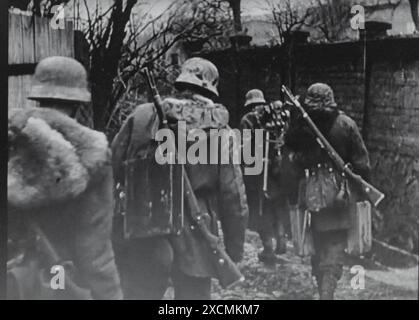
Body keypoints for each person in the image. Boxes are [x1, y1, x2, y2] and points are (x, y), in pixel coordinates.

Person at [112, 57, 249, 300]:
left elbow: (114, 164)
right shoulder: (220, 131)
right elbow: (232, 194)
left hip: (145, 221)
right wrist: (234, 248)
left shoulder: (143, 116)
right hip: (196, 231)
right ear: (211, 88)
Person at [7, 56, 123, 300]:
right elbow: (95, 251)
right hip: (58, 285)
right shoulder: (93, 155)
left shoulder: (11, 139)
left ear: (37, 95)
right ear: (79, 102)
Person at [285, 83, 371, 299]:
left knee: (317, 243)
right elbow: (362, 163)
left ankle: (323, 287)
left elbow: (291, 160)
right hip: (340, 195)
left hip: (310, 195)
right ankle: (327, 290)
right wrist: (363, 191)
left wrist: (294, 194)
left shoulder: (303, 126)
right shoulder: (345, 124)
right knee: (335, 244)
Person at [240, 90, 289, 264]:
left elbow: (246, 149)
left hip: (258, 170)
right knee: (276, 203)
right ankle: (281, 239)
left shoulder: (247, 120)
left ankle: (268, 247)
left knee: (260, 208)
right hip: (277, 167)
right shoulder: (278, 117)